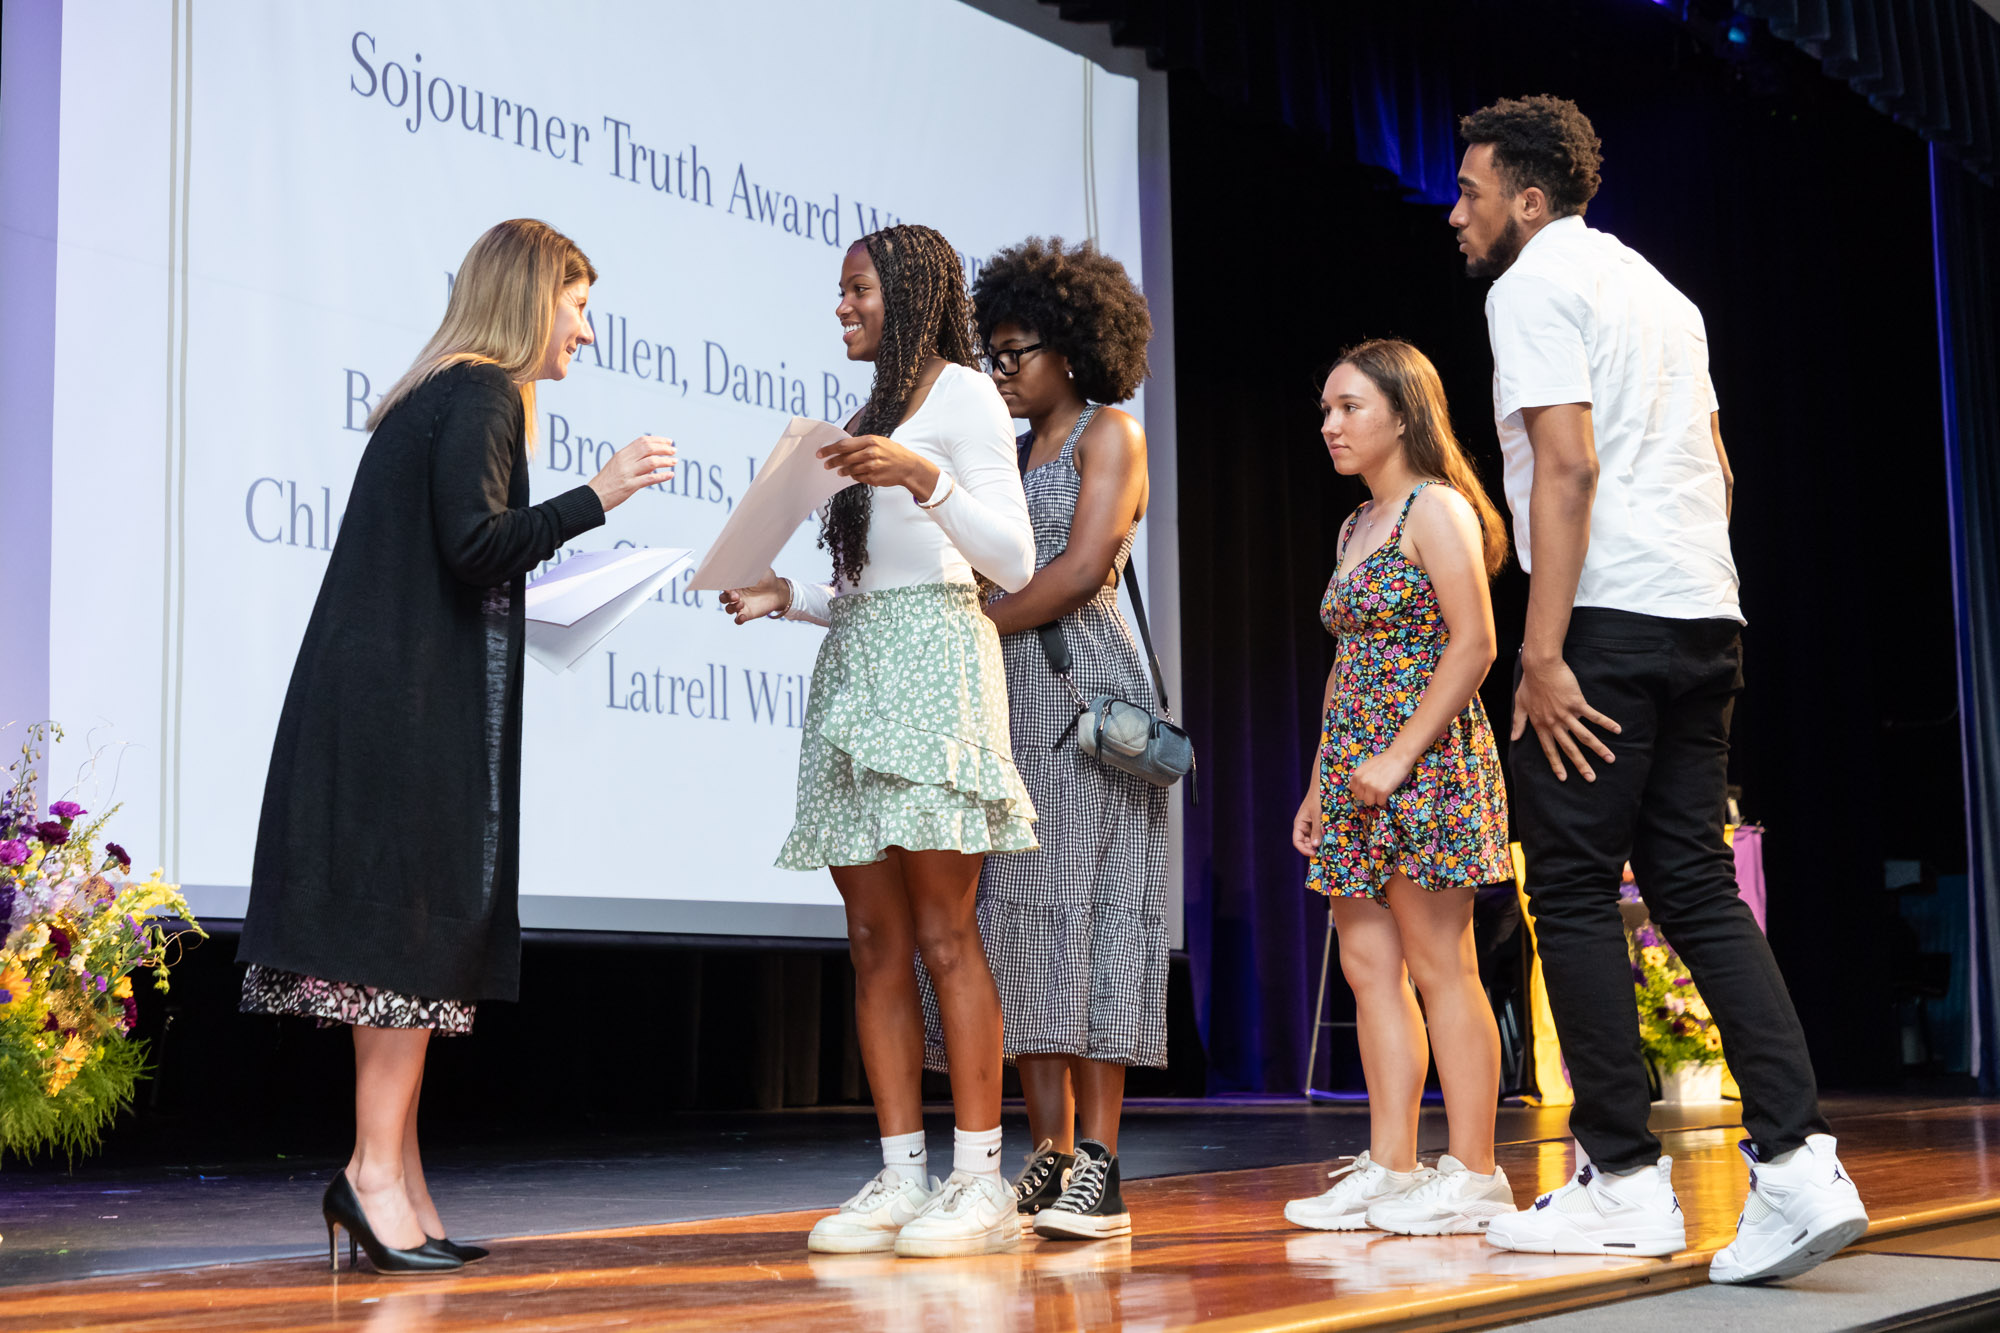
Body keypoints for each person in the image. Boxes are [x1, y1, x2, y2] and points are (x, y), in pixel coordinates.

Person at [1448, 96, 1868, 1281]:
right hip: (1700, 612)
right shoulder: (1664, 293)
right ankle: (1795, 1167)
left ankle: (1623, 1186)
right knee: (1693, 885)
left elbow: (1567, 465)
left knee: (1571, 892)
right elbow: (1718, 471)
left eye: (1471, 190)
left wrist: (1542, 651)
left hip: (1601, 620)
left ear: (1529, 199)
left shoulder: (1528, 286)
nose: (1456, 210)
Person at [237, 219, 677, 1274]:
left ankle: (396, 1176)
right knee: (407, 935)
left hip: (387, 698)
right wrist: (598, 497)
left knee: (412, 937)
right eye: (577, 304)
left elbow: (459, 553)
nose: (586, 329)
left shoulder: (441, 391)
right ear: (531, 298)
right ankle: (372, 1176)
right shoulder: (481, 392)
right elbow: (475, 544)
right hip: (400, 712)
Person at [720, 224, 1037, 1259]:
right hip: (856, 665)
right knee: (871, 940)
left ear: (904, 292)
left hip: (938, 664)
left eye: (855, 288)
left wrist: (922, 478)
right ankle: (902, 1174)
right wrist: (786, 596)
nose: (841, 306)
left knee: (945, 930)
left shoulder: (966, 399)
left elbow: (1016, 560)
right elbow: (867, 582)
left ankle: (980, 1179)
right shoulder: (867, 414)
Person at [939, 237, 1166, 1241]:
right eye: (989, 354)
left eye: (1013, 351)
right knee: (1018, 925)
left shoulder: (1107, 434)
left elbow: (1079, 572)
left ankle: (1102, 1166)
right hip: (1001, 703)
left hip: (1082, 705)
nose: (998, 371)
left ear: (1068, 347)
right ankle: (1049, 1150)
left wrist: (968, 623)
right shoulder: (999, 450)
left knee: (1093, 917)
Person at [1282, 339, 1516, 1236]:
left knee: (1439, 963)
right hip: (1354, 769)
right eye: (1327, 410)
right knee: (1367, 967)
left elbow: (1475, 644)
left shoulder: (1437, 509)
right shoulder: (1355, 526)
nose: (1330, 424)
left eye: (1349, 408)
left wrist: (1396, 758)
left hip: (1427, 763)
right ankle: (1391, 1165)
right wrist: (1319, 782)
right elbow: (1349, 667)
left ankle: (1475, 1170)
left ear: (1403, 414)